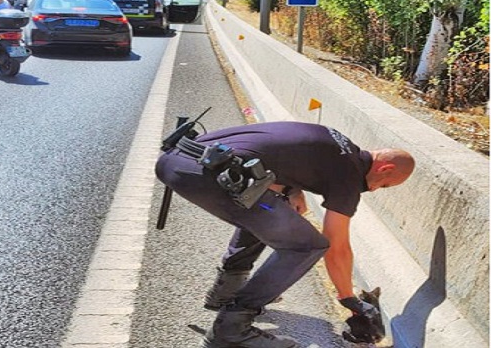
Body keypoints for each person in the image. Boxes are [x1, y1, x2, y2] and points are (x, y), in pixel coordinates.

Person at [155, 121, 415, 348]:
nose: (378, 189)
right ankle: (232, 329)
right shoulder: (349, 177)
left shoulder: (337, 140)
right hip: (207, 175)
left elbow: (281, 153)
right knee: (308, 245)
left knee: (268, 209)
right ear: (385, 169)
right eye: (384, 185)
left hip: (178, 158)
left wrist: (292, 189)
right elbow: (337, 248)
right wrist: (349, 299)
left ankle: (225, 292)